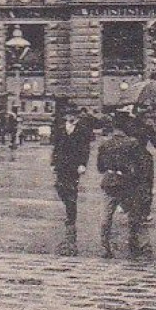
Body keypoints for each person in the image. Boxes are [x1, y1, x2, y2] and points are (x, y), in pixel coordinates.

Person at [96, 110, 155, 260]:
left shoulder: (105, 144)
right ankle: (136, 245)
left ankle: (105, 246)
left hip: (109, 182)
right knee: (134, 216)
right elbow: (140, 166)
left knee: (105, 217)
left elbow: (100, 167)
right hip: (127, 183)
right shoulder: (133, 143)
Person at [50, 99, 98, 256]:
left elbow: (85, 149)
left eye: (73, 115)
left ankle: (71, 215)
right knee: (59, 187)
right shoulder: (60, 128)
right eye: (68, 115)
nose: (70, 117)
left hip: (74, 165)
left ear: (76, 116)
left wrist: (83, 164)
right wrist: (53, 163)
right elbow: (56, 147)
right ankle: (69, 206)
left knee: (71, 189)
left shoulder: (82, 129)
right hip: (61, 164)